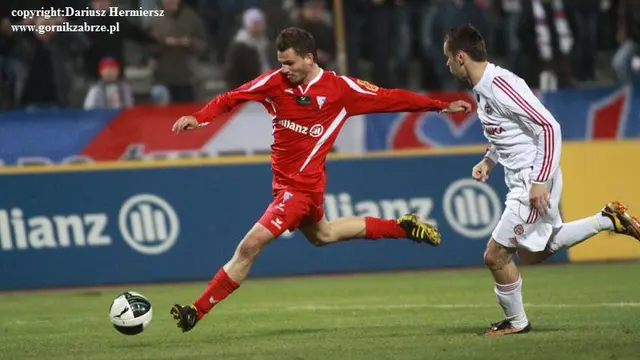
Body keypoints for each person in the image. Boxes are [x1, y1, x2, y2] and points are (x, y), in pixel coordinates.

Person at [169, 26, 472, 332]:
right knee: (323, 236)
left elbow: (390, 97)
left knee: (250, 245)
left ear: (309, 58)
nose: (284, 70)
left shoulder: (340, 90)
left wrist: (440, 105)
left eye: (290, 63)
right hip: (291, 187)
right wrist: (200, 117)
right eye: (281, 63)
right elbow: (230, 98)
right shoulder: (274, 83)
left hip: (299, 190)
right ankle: (401, 226)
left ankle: (197, 309)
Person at [442, 24, 640, 336]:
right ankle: (607, 219)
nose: (447, 64)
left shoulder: (500, 85)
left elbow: (549, 127)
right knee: (536, 251)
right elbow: (506, 130)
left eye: (449, 58)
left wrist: (539, 181)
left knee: (495, 255)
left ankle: (517, 322)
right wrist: (489, 160)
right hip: (526, 177)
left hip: (530, 180)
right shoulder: (484, 89)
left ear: (462, 57)